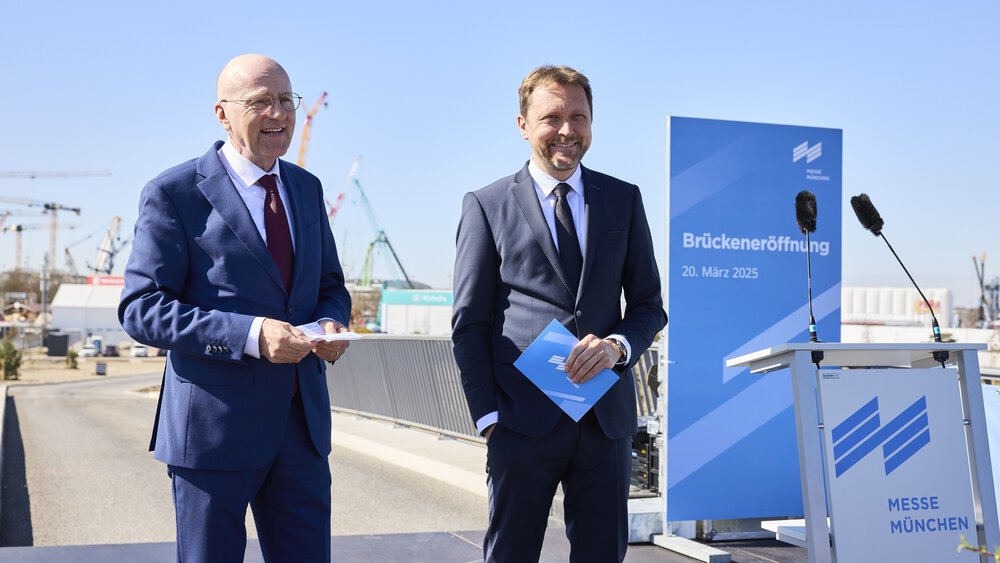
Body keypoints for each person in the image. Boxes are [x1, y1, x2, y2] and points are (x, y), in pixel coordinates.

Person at [119, 54, 352, 563]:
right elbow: (142, 309)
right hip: (212, 435)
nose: (279, 114)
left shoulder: (307, 190)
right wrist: (252, 335)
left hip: (301, 431)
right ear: (222, 114)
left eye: (286, 101)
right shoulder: (173, 193)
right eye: (259, 102)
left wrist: (332, 323)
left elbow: (331, 286)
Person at [451, 65, 667, 562]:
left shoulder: (623, 200)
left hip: (605, 423)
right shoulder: (485, 205)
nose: (567, 130)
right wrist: (489, 418)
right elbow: (470, 323)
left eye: (579, 117)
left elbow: (649, 307)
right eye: (552, 117)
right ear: (523, 125)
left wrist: (617, 347)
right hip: (520, 422)